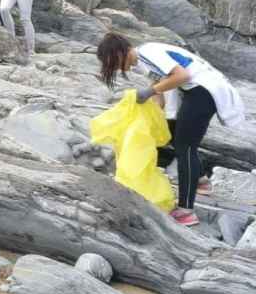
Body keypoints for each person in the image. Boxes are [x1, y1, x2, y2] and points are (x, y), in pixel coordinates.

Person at [96, 33, 246, 226]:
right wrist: (151, 113)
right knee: (175, 135)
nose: (116, 67)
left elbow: (182, 76)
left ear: (119, 52)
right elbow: (161, 87)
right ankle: (201, 182)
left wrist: (150, 92)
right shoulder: (143, 61)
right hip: (194, 90)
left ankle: (186, 210)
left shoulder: (147, 53)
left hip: (203, 90)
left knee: (186, 147)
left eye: (112, 62)